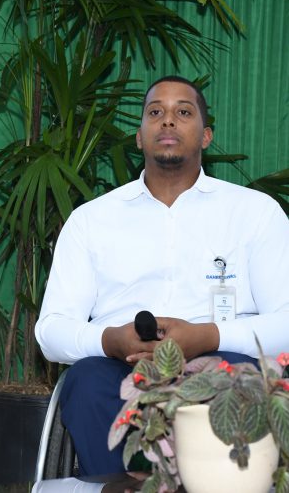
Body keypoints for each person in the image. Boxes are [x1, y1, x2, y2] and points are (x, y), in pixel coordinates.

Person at [35, 76, 289, 476]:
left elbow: (285, 324)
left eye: (183, 112)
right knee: (85, 383)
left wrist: (206, 336)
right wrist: (110, 340)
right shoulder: (91, 220)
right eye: (155, 112)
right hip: (121, 363)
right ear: (139, 137)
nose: (167, 120)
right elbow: (51, 331)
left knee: (246, 382)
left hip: (223, 361)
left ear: (206, 136)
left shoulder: (256, 213)